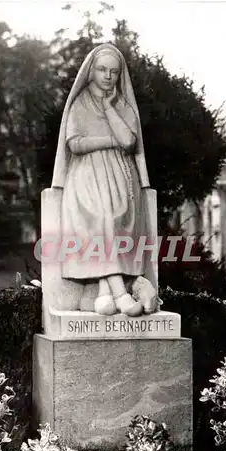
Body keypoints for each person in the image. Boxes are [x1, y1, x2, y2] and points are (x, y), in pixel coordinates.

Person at [51, 43, 150, 317]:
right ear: (91, 70)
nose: (108, 76)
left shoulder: (122, 105)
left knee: (116, 217)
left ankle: (105, 292)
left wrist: (108, 107)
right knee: (102, 217)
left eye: (114, 72)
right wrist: (109, 141)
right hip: (86, 178)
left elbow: (129, 141)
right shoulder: (79, 104)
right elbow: (74, 144)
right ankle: (121, 294)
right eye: (102, 69)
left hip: (121, 180)